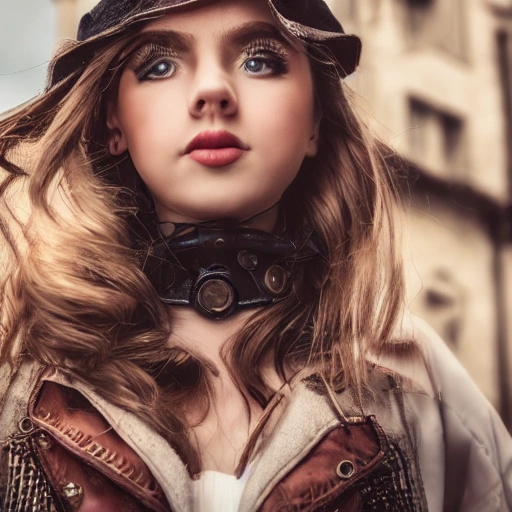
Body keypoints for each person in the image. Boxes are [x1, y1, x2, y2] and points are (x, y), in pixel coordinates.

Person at [0, 0, 511, 511]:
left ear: (315, 120)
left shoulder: (414, 377)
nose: (212, 92)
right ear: (114, 122)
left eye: (259, 60)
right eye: (159, 65)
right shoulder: (17, 370)